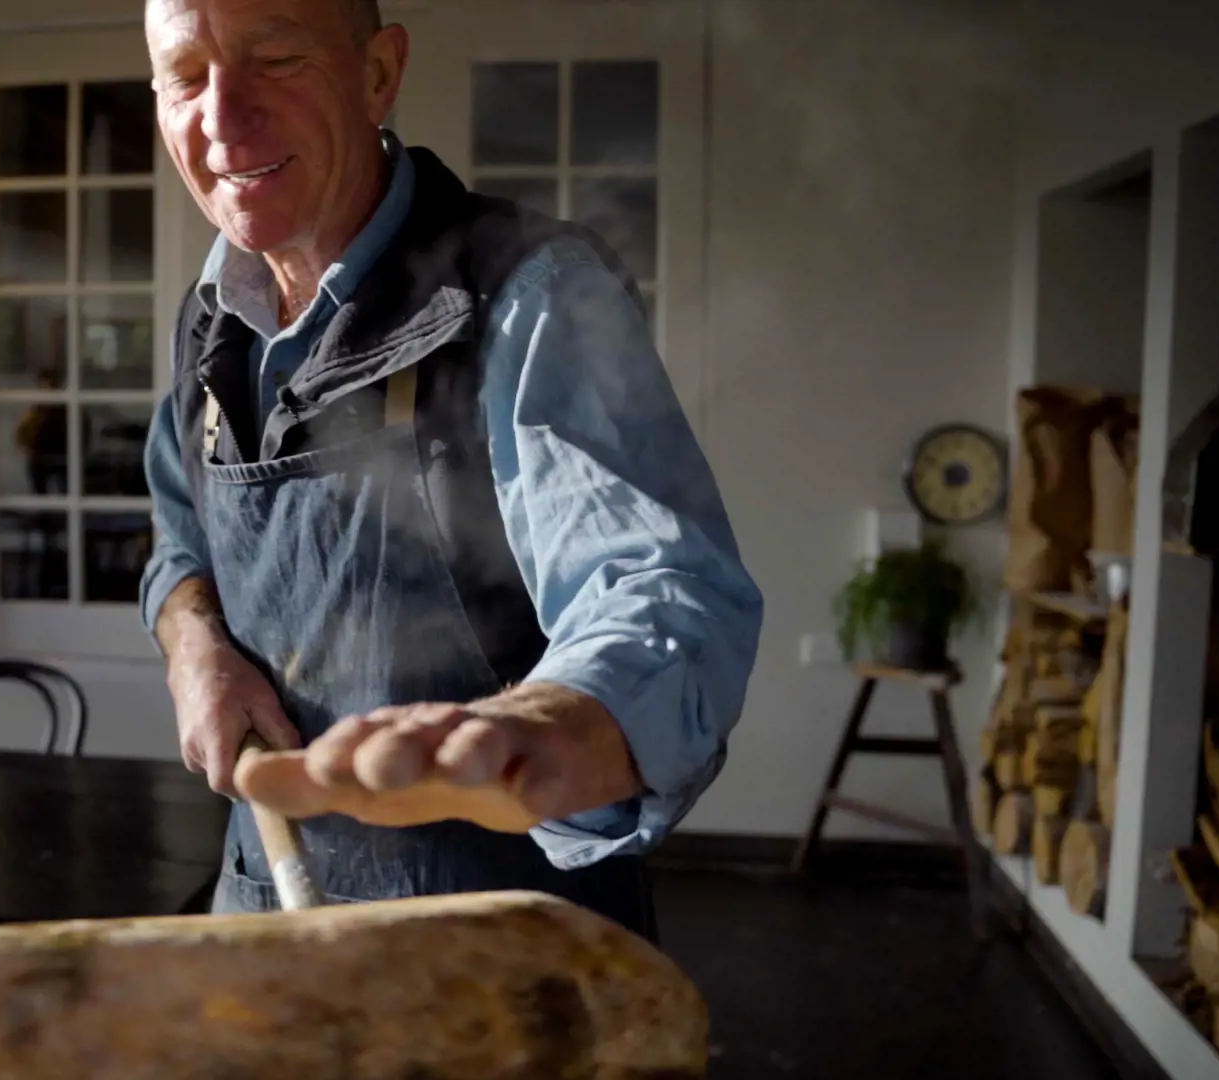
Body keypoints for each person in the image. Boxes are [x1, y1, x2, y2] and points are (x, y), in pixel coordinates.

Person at [139, 0, 763, 939]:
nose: (223, 117)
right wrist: (195, 646)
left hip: (501, 952)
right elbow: (180, 529)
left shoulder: (525, 291)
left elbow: (658, 593)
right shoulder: (212, 316)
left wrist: (546, 731)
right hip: (264, 925)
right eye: (187, 77)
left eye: (275, 60)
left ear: (379, 74)